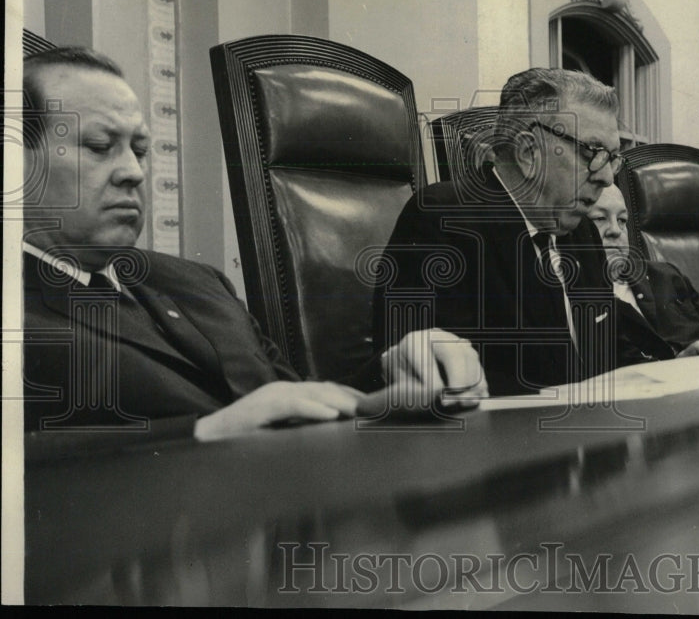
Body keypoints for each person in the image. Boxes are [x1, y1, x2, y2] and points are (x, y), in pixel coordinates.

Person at [20, 47, 485, 442]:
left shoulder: (199, 283)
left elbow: (289, 399)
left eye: (139, 150)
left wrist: (393, 372)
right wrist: (209, 433)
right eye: (100, 146)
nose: (134, 172)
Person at [372, 68, 699, 397]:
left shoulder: (581, 232)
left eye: (614, 158)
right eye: (595, 152)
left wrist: (670, 372)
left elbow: (600, 361)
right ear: (530, 153)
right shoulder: (446, 220)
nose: (607, 177)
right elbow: (424, 379)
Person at [587, 184, 699, 356]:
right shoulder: (575, 299)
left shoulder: (665, 276)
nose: (616, 231)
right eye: (599, 219)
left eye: (622, 220)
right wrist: (678, 365)